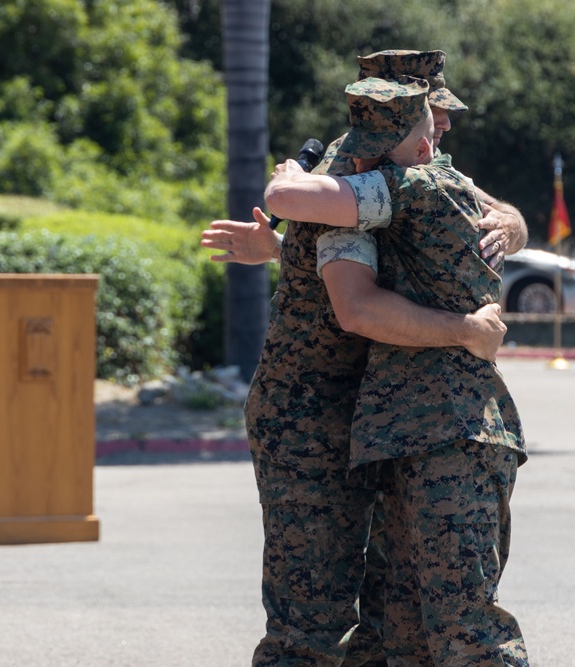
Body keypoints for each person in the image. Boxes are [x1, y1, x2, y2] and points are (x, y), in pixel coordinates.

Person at [202, 50, 528, 666]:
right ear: (397, 113)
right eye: (436, 112)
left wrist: (510, 224)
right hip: (313, 417)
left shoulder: (409, 172)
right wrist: (464, 329)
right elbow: (354, 304)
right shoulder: (346, 175)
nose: (447, 128)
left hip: (386, 419)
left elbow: (488, 209)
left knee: (388, 625)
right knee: (313, 624)